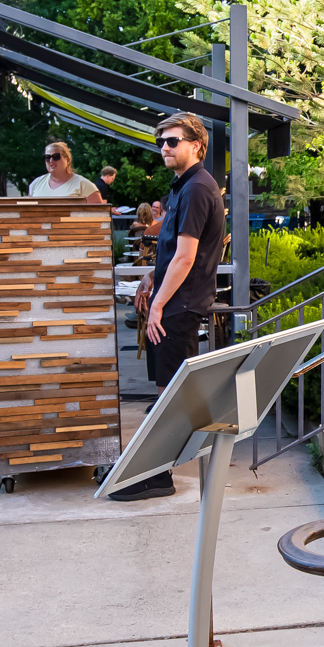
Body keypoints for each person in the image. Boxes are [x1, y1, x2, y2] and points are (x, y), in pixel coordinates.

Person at [112, 113, 224, 501]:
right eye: (161, 141)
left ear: (196, 145)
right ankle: (150, 469)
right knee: (164, 390)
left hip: (182, 305)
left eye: (172, 141)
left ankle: (158, 475)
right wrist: (151, 278)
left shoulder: (197, 189)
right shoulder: (181, 186)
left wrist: (158, 305)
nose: (164, 147)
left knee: (171, 393)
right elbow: (170, 250)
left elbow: (186, 257)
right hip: (172, 300)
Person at [28, 140, 102, 201]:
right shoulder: (36, 184)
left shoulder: (84, 186)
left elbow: (100, 215)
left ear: (67, 160)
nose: (51, 160)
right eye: (47, 157)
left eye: (56, 157)